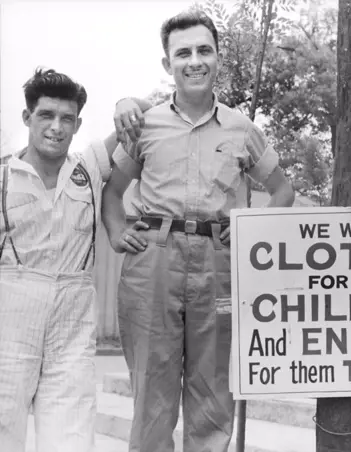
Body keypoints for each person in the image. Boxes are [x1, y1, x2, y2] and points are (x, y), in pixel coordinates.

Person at [101, 10, 295, 452]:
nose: (194, 61)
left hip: (218, 265)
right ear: (167, 64)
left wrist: (249, 230)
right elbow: (112, 193)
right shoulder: (145, 125)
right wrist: (115, 233)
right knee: (153, 393)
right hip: (153, 262)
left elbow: (283, 192)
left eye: (204, 50)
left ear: (218, 58)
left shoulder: (242, 127)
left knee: (213, 392)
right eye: (183, 52)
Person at [0, 68, 149, 452]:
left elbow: (146, 111)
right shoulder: (3, 176)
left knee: (71, 437)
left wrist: (125, 103)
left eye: (67, 119)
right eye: (46, 115)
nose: (56, 127)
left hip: (72, 319)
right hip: (10, 318)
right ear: (27, 118)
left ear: (78, 124)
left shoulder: (89, 167)